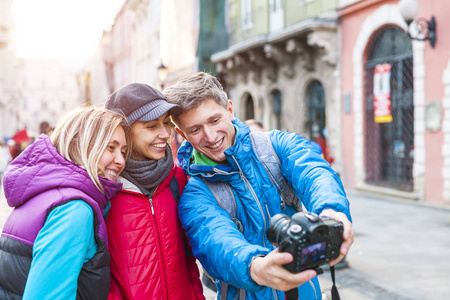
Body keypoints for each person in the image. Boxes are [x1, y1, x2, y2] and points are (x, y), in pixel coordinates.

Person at [163, 72, 354, 300]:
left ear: (230, 110)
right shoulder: (194, 193)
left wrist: (331, 210)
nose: (211, 136)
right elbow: (214, 241)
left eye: (215, 120)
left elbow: (313, 171)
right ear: (182, 134)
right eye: (195, 130)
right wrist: (255, 267)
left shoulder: (276, 145)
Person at [0, 106, 131, 299]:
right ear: (81, 145)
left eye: (123, 151)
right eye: (111, 147)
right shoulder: (75, 209)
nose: (121, 160)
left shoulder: (46, 191)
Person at [104, 83, 205, 300]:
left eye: (166, 123)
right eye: (151, 126)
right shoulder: (104, 188)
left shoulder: (178, 179)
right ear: (124, 131)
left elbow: (189, 257)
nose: (165, 134)